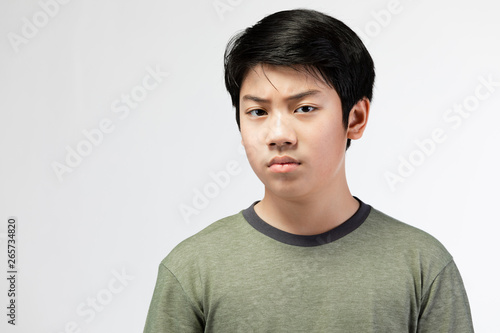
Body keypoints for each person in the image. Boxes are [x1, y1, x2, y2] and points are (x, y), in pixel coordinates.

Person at [144, 8, 474, 332]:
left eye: (304, 108)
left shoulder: (423, 267)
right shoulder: (192, 269)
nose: (278, 135)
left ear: (355, 119)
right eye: (257, 111)